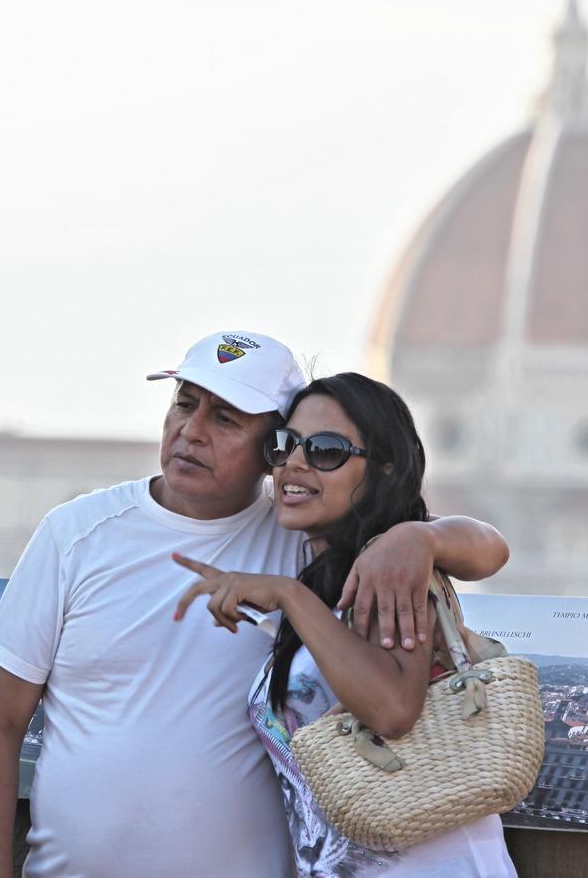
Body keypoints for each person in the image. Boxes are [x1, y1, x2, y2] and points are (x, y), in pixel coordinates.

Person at [0, 332, 508, 878]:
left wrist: (419, 538)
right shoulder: (75, 534)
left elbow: (486, 549)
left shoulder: (308, 533)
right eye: (184, 403)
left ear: (264, 446)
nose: (191, 431)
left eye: (226, 419)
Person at [174, 372, 517, 876]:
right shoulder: (329, 578)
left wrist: (292, 594)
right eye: (284, 445)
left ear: (382, 470)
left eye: (326, 450)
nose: (294, 462)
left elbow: (393, 710)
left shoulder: (388, 573)